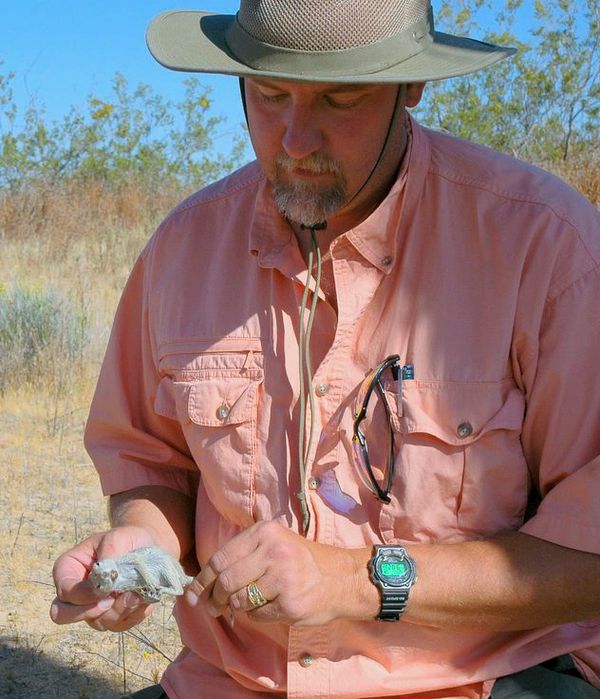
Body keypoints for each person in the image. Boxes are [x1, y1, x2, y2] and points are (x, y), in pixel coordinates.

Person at [50, 1, 600, 697]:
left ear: (412, 88)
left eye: (342, 99)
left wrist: (356, 581)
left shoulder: (546, 250)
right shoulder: (180, 251)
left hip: (481, 680)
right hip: (230, 681)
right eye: (271, 93)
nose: (296, 138)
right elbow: (150, 463)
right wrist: (141, 540)